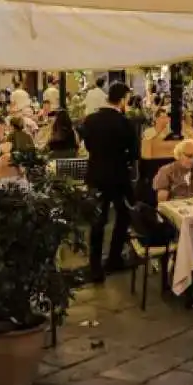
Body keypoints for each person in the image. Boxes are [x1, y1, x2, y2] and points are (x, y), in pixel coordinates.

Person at [81, 81, 138, 282]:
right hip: (119, 177)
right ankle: (114, 257)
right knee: (124, 215)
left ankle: (95, 266)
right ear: (123, 99)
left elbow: (87, 145)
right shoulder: (125, 123)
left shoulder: (90, 120)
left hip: (95, 174)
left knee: (98, 220)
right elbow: (134, 153)